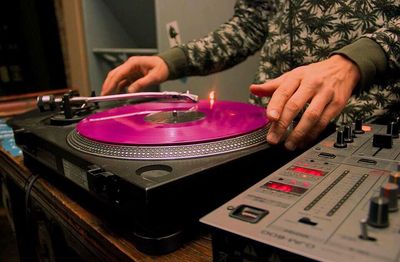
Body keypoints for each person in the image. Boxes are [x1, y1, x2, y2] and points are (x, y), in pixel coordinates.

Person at [101, 0, 400, 151]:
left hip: (365, 133)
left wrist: (354, 63)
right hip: (268, 129)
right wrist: (172, 62)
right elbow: (251, 24)